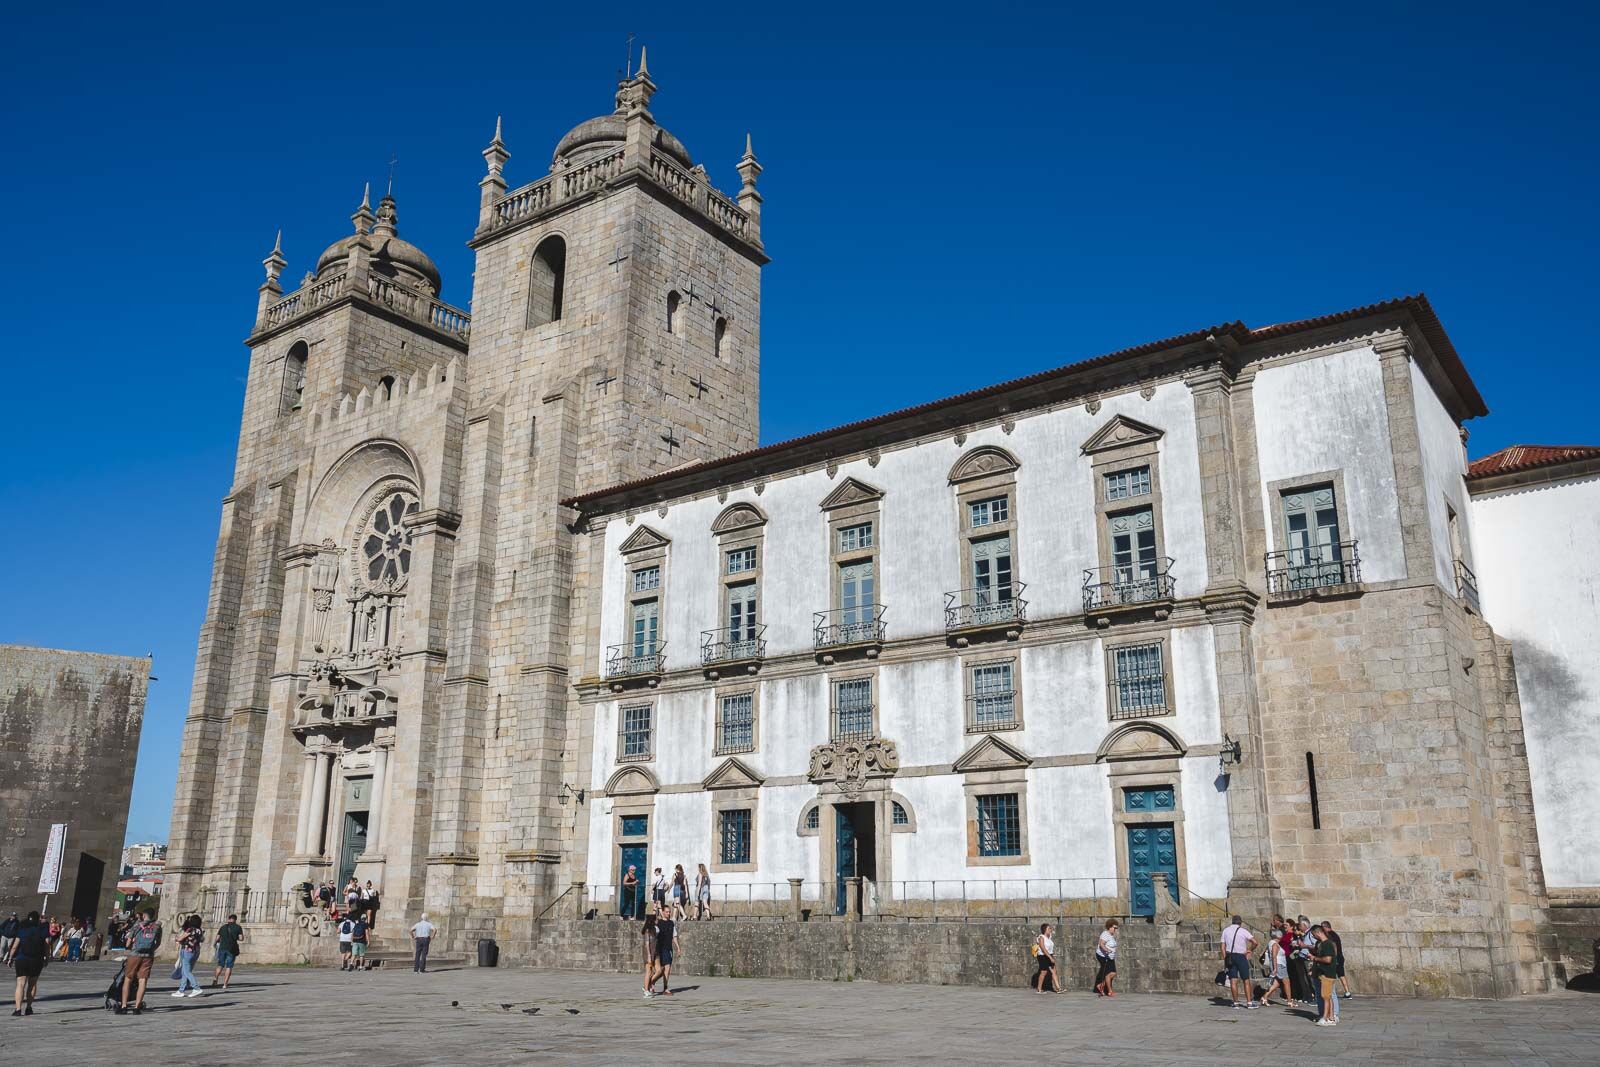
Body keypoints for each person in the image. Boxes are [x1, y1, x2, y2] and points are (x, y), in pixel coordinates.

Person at [118, 909, 162, 1014]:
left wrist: (131, 945)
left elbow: (128, 944)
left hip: (135, 954)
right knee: (142, 981)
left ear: (143, 915)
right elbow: (158, 942)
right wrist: (151, 949)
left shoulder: (137, 925)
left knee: (128, 979)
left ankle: (124, 1006)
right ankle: (137, 1007)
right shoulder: (157, 927)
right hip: (148, 956)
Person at [10, 912, 47, 1017]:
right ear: (38, 919)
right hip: (37, 960)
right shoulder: (42, 930)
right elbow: (47, 945)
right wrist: (48, 958)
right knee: (32, 984)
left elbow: (14, 946)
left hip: (22, 959)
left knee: (20, 984)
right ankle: (29, 1008)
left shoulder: (22, 930)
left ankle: (18, 1010)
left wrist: (9, 958)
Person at [1219, 914, 1257, 1009]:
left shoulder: (1226, 931)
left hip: (1230, 957)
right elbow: (1255, 942)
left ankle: (1235, 1003)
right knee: (1246, 980)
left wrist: (1225, 958)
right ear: (1240, 922)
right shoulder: (1243, 931)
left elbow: (1222, 946)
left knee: (1233, 980)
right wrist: (1250, 950)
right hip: (1241, 956)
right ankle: (1249, 1002)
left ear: (1232, 921)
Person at [1310, 925, 1341, 1026]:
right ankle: (1330, 1017)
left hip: (1327, 973)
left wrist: (1314, 958)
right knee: (1328, 996)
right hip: (1323, 973)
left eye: (1313, 935)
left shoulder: (1327, 944)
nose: (1314, 937)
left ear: (1318, 933)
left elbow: (1328, 959)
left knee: (1325, 996)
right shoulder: (1323, 944)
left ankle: (1325, 1017)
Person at [1256, 921, 1290, 1008]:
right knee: (1286, 982)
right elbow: (1274, 957)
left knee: (1276, 983)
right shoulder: (1274, 944)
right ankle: (1290, 1001)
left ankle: (1264, 997)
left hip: (1278, 965)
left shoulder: (1271, 943)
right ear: (1278, 936)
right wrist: (1275, 968)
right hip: (1279, 965)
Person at [649, 903, 680, 996]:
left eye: (669, 912)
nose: (668, 913)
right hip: (659, 949)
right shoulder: (658, 923)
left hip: (668, 949)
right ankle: (651, 983)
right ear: (662, 912)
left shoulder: (671, 923)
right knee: (660, 971)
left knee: (667, 969)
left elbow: (674, 936)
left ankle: (665, 988)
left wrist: (678, 947)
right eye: (666, 912)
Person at [173, 915, 204, 998]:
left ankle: (196, 987)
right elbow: (202, 939)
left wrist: (177, 938)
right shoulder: (199, 930)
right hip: (196, 951)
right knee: (185, 971)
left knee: (186, 971)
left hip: (188, 950)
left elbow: (180, 939)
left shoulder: (190, 929)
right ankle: (181, 990)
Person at [213, 913, 244, 990]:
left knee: (220, 965)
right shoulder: (238, 927)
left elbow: (217, 938)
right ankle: (225, 984)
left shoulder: (223, 927)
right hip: (232, 949)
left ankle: (216, 979)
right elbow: (241, 938)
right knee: (229, 966)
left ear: (229, 919)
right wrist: (235, 937)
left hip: (222, 948)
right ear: (235, 920)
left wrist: (215, 944)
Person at [1324, 920, 1353, 997]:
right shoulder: (1334, 934)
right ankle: (1347, 992)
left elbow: (1334, 947)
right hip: (1339, 957)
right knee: (1341, 974)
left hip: (1336, 958)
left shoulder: (1330, 935)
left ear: (1326, 927)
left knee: (1337, 974)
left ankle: (1345, 992)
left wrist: (1334, 958)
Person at [1031, 922, 1060, 993]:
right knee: (1043, 972)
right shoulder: (1041, 937)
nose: (1050, 929)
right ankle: (1039, 989)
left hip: (1050, 955)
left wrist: (1051, 956)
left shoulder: (1049, 937)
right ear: (1045, 930)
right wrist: (1050, 957)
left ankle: (1059, 988)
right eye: (1049, 928)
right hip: (1042, 956)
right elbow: (1043, 948)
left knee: (1054, 972)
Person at [1094, 919, 1119, 997]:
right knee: (1107, 974)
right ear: (1110, 927)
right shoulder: (1105, 934)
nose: (1115, 930)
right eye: (1114, 928)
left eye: (1116, 928)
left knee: (1114, 973)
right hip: (1104, 956)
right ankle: (1109, 991)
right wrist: (1107, 950)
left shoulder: (1110, 935)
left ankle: (1101, 985)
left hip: (1110, 957)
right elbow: (1101, 944)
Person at [640, 910, 659, 999]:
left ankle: (646, 986)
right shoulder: (648, 931)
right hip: (649, 953)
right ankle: (646, 990)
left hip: (653, 952)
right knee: (648, 971)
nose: (657, 921)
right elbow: (647, 944)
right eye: (656, 919)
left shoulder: (654, 930)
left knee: (655, 971)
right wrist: (649, 955)